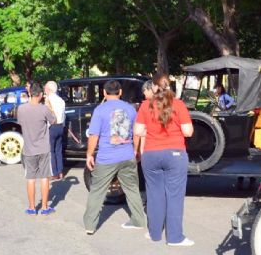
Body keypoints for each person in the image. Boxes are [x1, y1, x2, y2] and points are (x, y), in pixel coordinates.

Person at [134, 73, 194, 246]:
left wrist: (151, 132)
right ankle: (175, 237)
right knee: (174, 196)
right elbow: (188, 131)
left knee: (154, 195)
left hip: (151, 155)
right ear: (171, 86)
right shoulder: (179, 105)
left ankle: (154, 233)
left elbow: (138, 131)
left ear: (153, 87)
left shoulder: (146, 105)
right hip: (175, 154)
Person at [83, 80, 146, 234]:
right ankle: (139, 220)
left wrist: (89, 154)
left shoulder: (99, 110)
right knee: (132, 189)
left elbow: (94, 135)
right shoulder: (130, 109)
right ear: (120, 92)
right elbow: (137, 132)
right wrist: (135, 151)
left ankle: (90, 225)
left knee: (97, 190)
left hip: (107, 158)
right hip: (126, 155)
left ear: (104, 92)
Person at [16, 82, 57, 215]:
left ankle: (32, 207)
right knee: (45, 178)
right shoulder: (44, 109)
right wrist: (49, 105)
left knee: (30, 178)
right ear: (40, 95)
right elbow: (54, 120)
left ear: (29, 93)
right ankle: (45, 207)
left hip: (28, 149)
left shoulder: (21, 109)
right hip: (43, 148)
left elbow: (20, 123)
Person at [44, 81, 66, 180]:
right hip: (60, 126)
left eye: (45, 88)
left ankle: (54, 173)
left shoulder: (48, 100)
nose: (44, 90)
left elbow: (46, 115)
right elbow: (64, 115)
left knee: (51, 151)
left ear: (49, 89)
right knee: (58, 150)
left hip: (52, 127)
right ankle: (61, 171)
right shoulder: (61, 100)